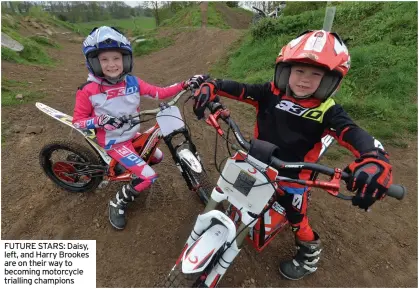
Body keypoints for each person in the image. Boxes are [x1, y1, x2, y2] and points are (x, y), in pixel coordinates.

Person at [193, 30, 393, 280]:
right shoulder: (271, 92)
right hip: (258, 163)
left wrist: (375, 157)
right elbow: (242, 89)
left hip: (295, 178)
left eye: (316, 74)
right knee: (235, 190)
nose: (304, 80)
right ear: (286, 70)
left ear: (331, 80)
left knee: (296, 218)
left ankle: (309, 251)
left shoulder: (328, 110)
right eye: (299, 71)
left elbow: (352, 132)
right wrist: (214, 85)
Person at [72, 26, 206, 230]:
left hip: (131, 134)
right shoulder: (88, 90)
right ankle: (117, 202)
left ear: (125, 59)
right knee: (149, 176)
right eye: (104, 59)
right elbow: (78, 121)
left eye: (116, 58)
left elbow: (160, 92)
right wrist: (99, 121)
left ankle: (130, 167)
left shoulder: (132, 82)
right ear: (93, 62)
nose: (111, 64)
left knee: (158, 157)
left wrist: (186, 83)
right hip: (113, 142)